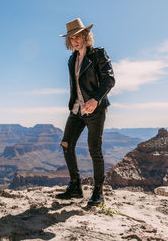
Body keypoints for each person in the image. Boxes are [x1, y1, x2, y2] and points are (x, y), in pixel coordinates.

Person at [56, 18, 115, 205]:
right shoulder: (71, 59)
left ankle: (98, 192)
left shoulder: (98, 54)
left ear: (86, 36)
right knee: (66, 144)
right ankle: (75, 187)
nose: (75, 40)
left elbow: (109, 80)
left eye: (78, 36)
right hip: (77, 109)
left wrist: (95, 99)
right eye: (71, 38)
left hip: (95, 110)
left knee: (94, 150)